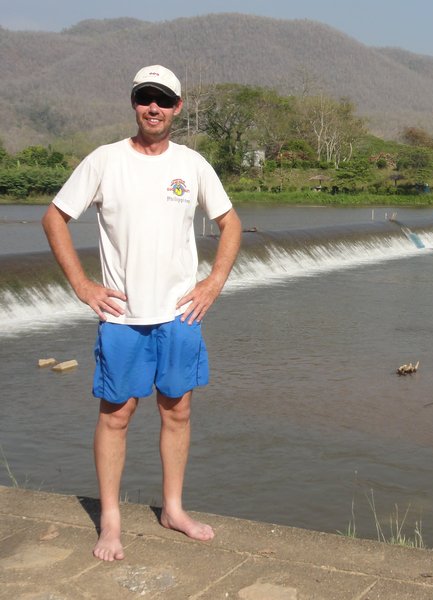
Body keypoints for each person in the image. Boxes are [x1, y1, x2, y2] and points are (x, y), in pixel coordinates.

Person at [41, 65, 241, 562]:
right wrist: (83, 286)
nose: (153, 107)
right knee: (116, 415)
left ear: (177, 107)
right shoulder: (105, 161)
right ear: (134, 103)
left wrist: (213, 283)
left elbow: (231, 223)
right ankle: (110, 520)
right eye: (144, 97)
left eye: (164, 99)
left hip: (179, 315)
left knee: (179, 410)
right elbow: (54, 217)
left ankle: (173, 508)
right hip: (122, 317)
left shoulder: (192, 165)